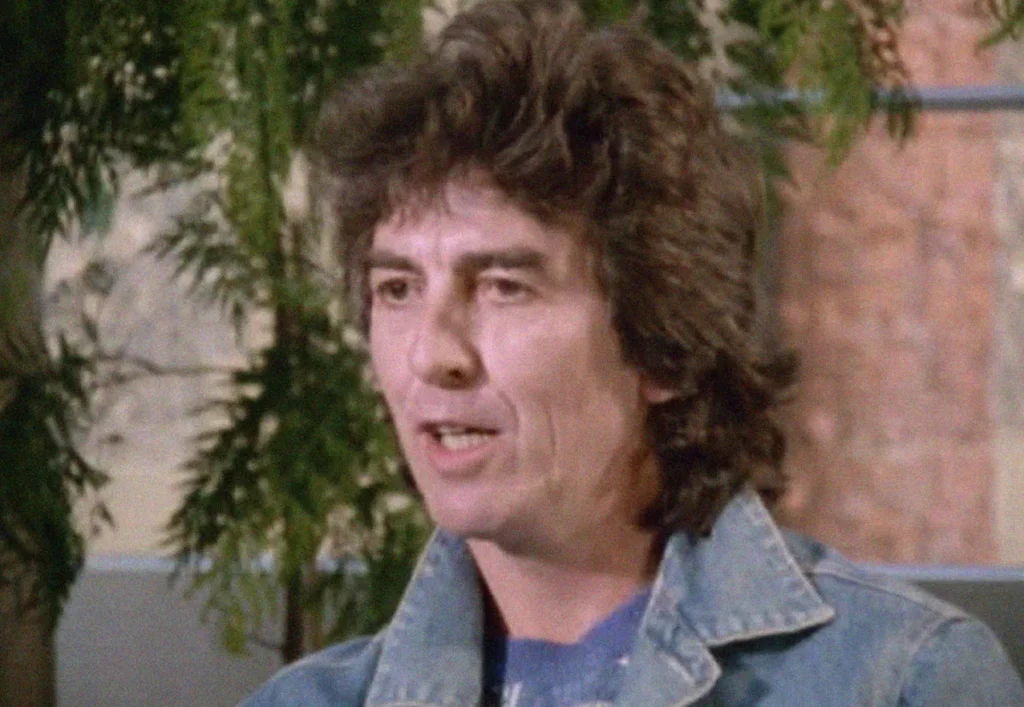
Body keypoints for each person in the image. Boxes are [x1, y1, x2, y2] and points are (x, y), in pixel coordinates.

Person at [241, 1, 1024, 705]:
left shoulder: (901, 679)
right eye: (397, 289)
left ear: (663, 344)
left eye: (504, 286)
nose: (432, 355)